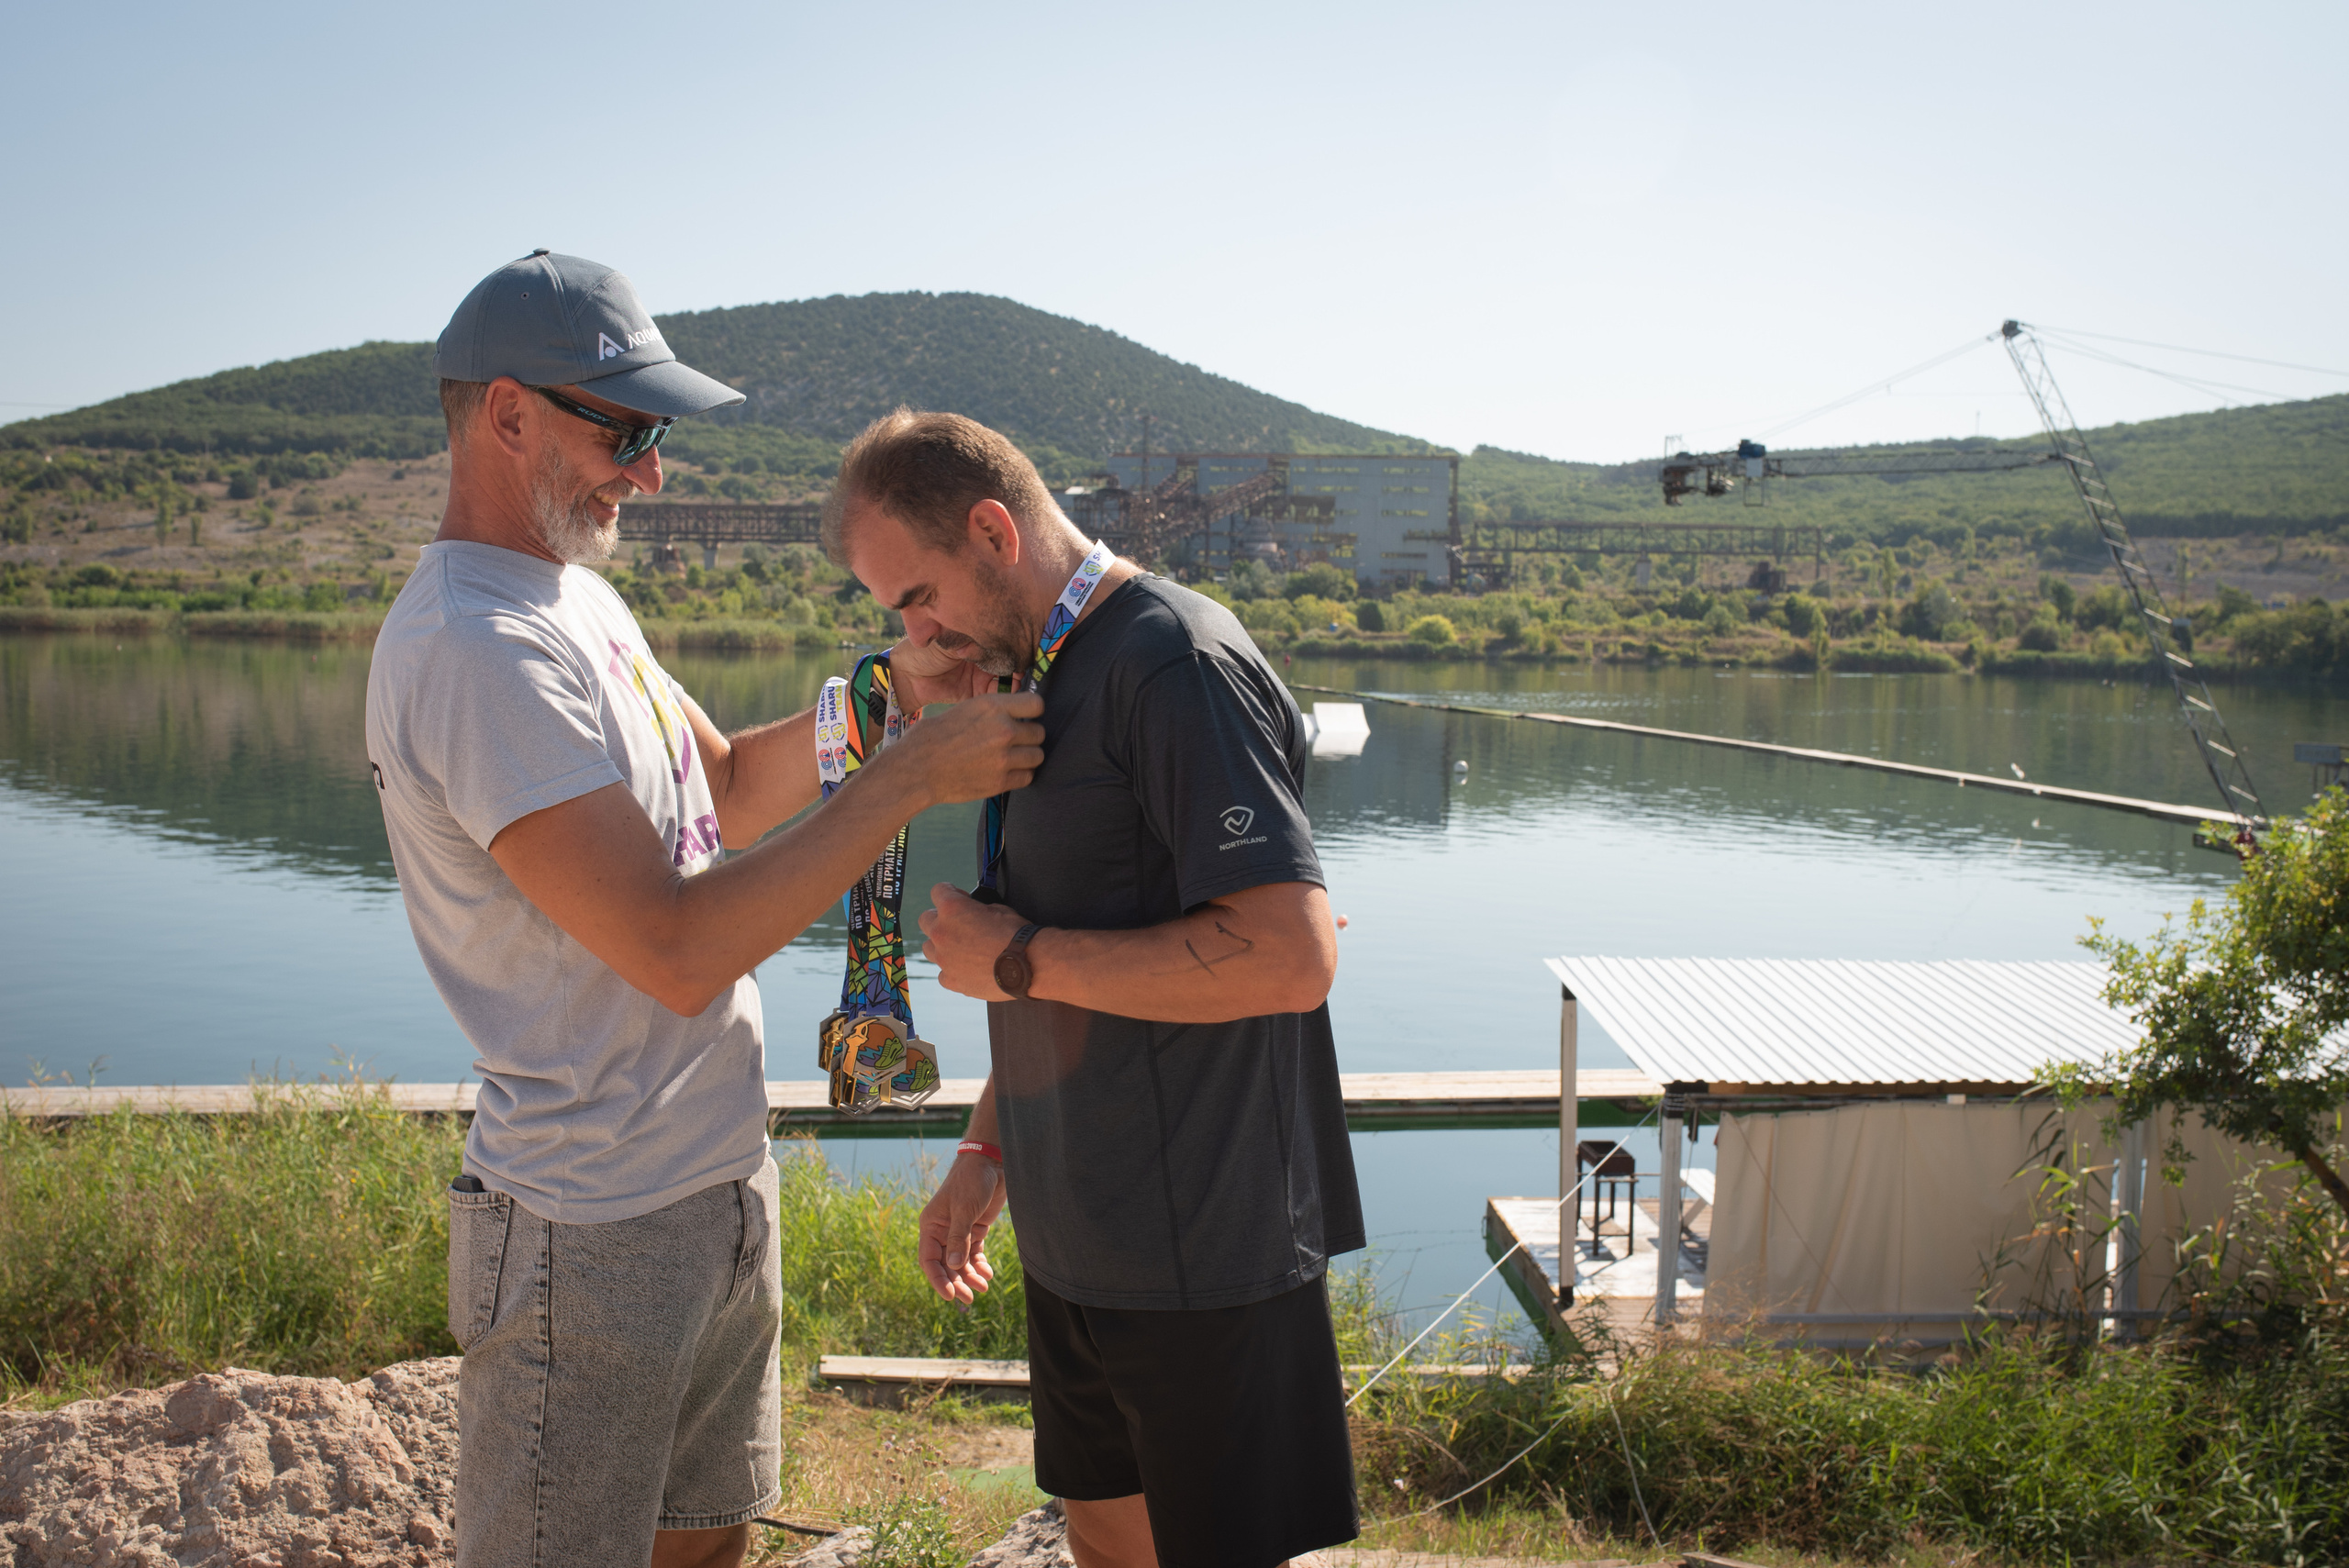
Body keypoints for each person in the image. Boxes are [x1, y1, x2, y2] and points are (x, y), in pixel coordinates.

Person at [365, 255, 1044, 1568]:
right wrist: (909, 778)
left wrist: (891, 697)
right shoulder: (474, 647)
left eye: (654, 435)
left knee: (705, 1549)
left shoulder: (573, 599)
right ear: (508, 415)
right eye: (625, 432)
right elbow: (674, 948)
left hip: (717, 1186)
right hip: (585, 1229)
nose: (653, 473)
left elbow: (722, 790)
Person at [823, 410, 1364, 1568]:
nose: (916, 634)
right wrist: (988, 1148)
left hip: (1205, 1245)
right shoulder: (1041, 674)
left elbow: (1289, 953)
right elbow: (1079, 938)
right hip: (1079, 1233)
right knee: (1102, 1539)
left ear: (992, 531)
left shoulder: (1174, 660)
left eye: (919, 596)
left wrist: (1017, 956)